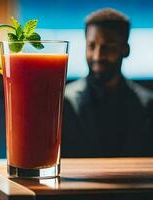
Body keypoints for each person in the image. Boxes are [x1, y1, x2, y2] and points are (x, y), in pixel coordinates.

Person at [62, 8, 153, 157]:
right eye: (92, 46)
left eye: (107, 47)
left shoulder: (148, 105)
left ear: (125, 49)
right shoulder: (64, 102)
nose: (98, 56)